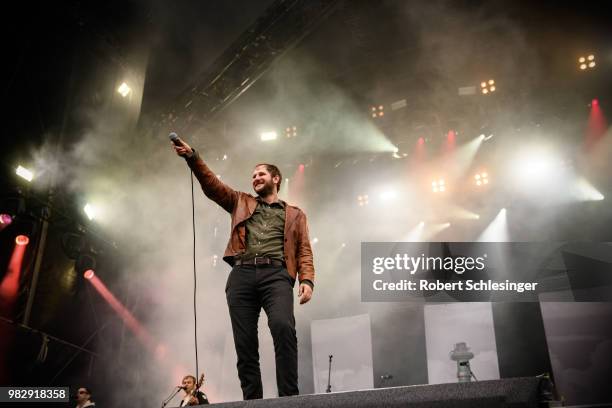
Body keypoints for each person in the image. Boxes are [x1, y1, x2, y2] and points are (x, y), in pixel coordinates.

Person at [172, 137, 315, 399]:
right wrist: (193, 157)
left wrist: (307, 279)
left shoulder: (295, 214)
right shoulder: (240, 201)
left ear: (276, 179)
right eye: (253, 176)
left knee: (283, 327)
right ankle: (253, 401)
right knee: (244, 342)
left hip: (277, 275)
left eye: (261, 174)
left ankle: (290, 399)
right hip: (242, 274)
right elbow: (212, 185)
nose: (255, 178)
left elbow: (304, 249)